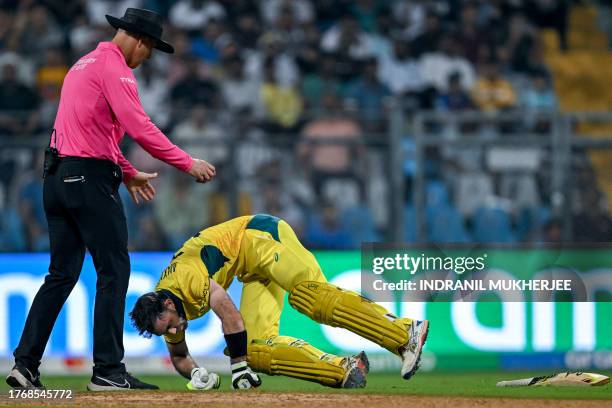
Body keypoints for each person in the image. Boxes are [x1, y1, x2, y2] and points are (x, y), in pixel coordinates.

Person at [6, 8, 216, 392]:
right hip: (88, 179)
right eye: (149, 50)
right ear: (141, 40)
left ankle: (25, 365)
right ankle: (108, 369)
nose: (146, 59)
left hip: (57, 177)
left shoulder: (84, 64)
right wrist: (187, 163)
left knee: (61, 274)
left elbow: (92, 130)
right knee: (114, 269)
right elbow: (139, 126)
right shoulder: (117, 69)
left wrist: (126, 170)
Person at [130, 214, 429, 390]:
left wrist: (237, 369)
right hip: (252, 268)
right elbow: (180, 356)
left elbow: (228, 311)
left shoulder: (185, 281)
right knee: (252, 349)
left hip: (262, 237)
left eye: (169, 327)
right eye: (166, 333)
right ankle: (343, 369)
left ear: (167, 306)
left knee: (308, 296)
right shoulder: (165, 309)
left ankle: (404, 333)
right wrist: (196, 373)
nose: (173, 333)